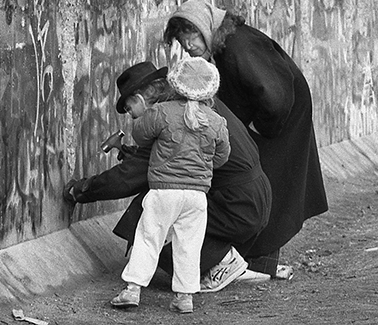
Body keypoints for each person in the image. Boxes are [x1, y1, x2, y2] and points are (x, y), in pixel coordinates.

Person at [64, 61, 272, 295]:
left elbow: (126, 180)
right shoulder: (200, 103)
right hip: (256, 197)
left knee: (147, 211)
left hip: (235, 205)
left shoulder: (165, 116)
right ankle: (232, 261)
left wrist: (80, 191)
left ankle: (222, 262)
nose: (129, 114)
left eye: (128, 105)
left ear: (141, 96)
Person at [164, 0, 329, 277]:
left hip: (279, 122)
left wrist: (256, 129)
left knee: (266, 186)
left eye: (191, 34)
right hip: (278, 120)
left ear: (205, 26)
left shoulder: (237, 46)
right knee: (268, 189)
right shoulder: (227, 44)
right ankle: (259, 263)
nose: (188, 44)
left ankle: (253, 261)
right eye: (182, 39)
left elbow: (273, 96)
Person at [110, 57, 230, 313]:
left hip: (164, 190)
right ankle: (185, 297)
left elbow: (140, 135)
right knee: (189, 244)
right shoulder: (217, 122)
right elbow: (222, 157)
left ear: (174, 86)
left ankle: (132, 289)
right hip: (197, 196)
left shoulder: (162, 112)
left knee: (148, 238)